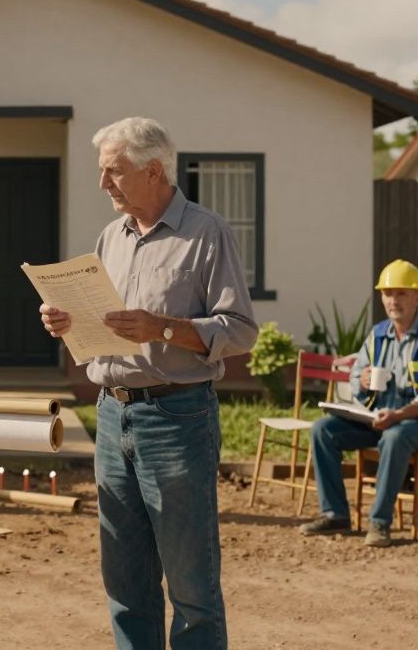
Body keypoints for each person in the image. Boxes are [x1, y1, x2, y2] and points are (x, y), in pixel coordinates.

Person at [39, 117, 257, 650]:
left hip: (178, 419)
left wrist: (163, 328)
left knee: (191, 585)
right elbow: (106, 327)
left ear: (153, 170)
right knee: (125, 581)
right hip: (112, 417)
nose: (103, 184)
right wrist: (68, 323)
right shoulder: (110, 237)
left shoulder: (207, 233)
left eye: (113, 171)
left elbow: (242, 331)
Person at [300, 259, 418, 548]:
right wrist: (360, 381)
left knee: (395, 438)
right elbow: (358, 375)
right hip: (378, 419)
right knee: (323, 429)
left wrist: (398, 415)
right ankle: (335, 515)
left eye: (400, 293)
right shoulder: (376, 335)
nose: (393, 301)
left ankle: (379, 523)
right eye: (387, 294)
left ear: (417, 297)